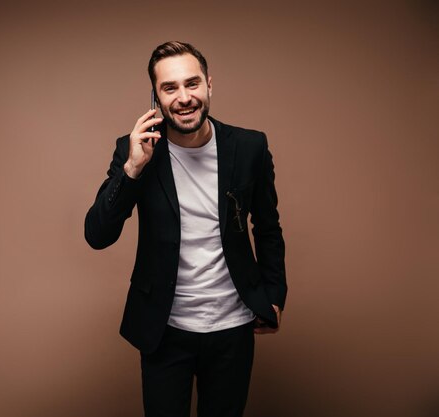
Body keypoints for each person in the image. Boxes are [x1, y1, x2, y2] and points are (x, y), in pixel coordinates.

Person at [84, 41, 287, 417]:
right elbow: (97, 235)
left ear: (209, 85)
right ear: (156, 97)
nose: (183, 97)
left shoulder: (249, 146)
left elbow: (268, 226)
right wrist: (133, 169)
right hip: (164, 329)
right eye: (169, 88)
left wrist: (274, 293)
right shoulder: (135, 151)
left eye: (192, 84)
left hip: (233, 327)